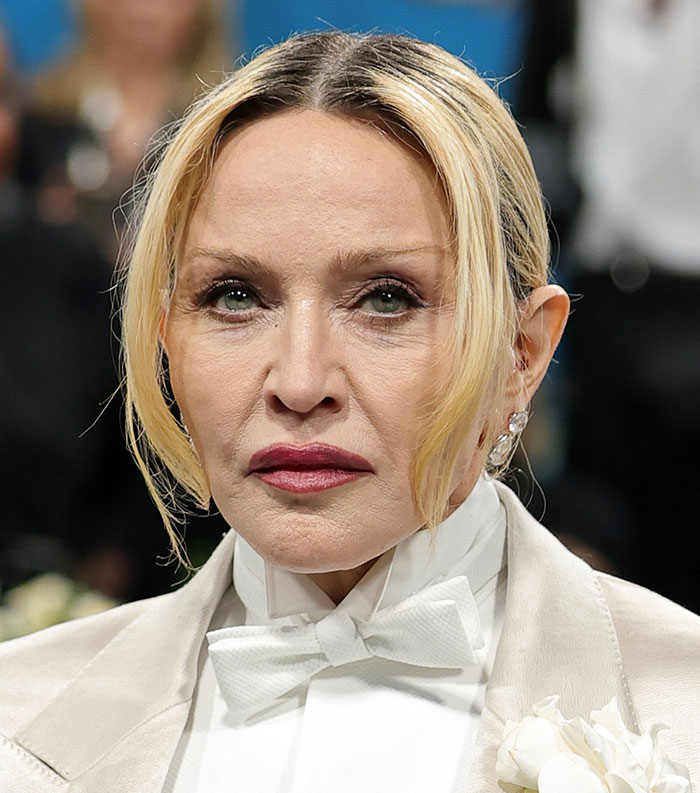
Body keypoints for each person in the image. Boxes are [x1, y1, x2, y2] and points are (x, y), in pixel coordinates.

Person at [0, 31, 698, 792]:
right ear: (166, 339)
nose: (300, 384)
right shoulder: (19, 715)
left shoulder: (679, 712)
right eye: (235, 296)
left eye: (386, 298)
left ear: (522, 354)